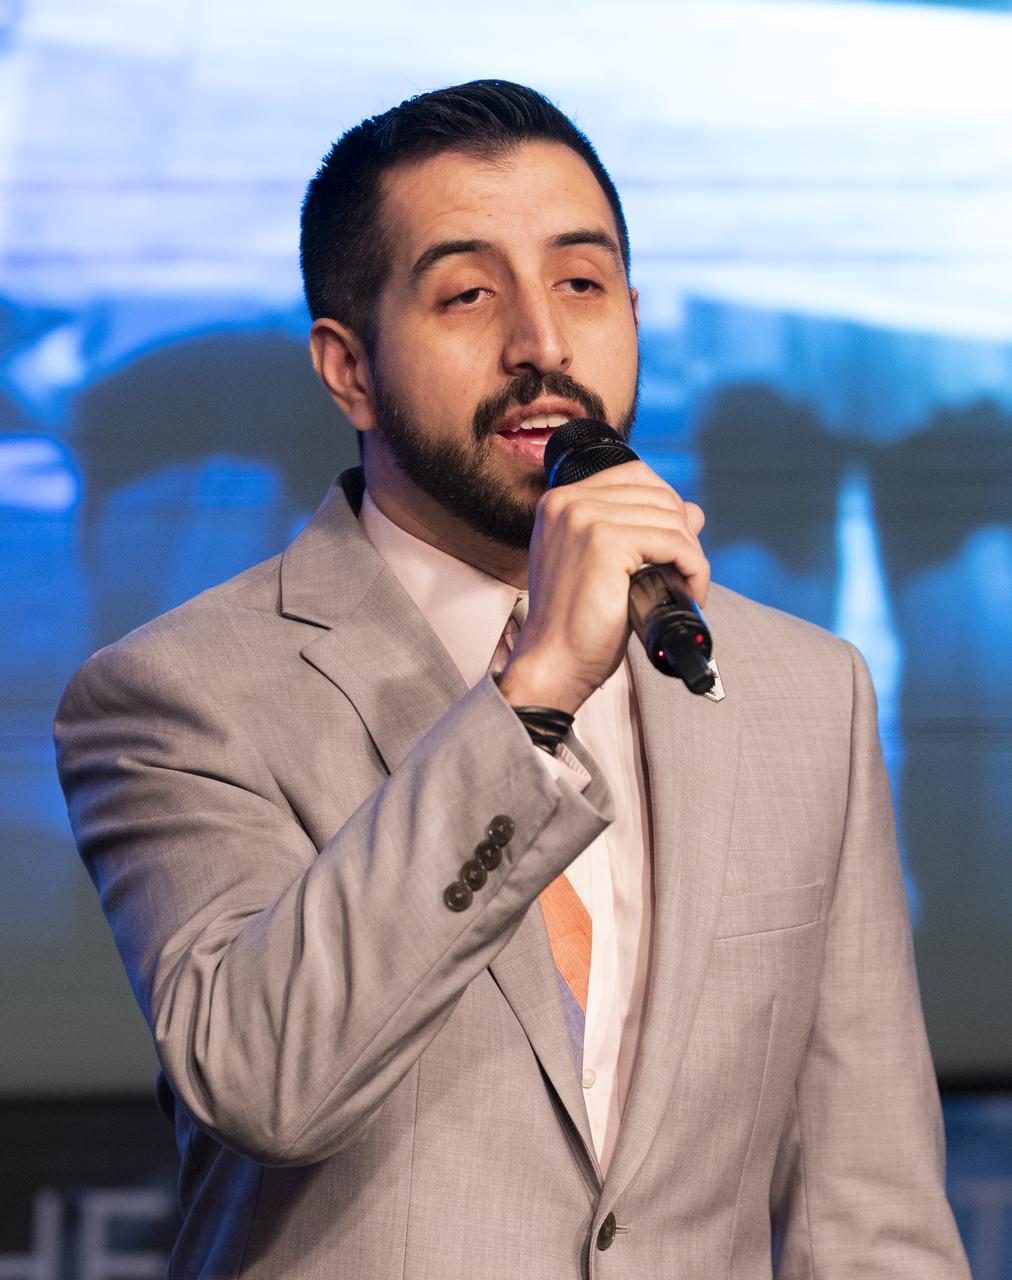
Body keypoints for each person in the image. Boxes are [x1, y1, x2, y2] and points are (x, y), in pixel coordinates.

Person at [55, 80, 970, 1278]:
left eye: (582, 285)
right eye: (468, 292)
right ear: (349, 372)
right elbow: (264, 1080)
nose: (542, 342)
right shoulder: (179, 694)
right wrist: (533, 691)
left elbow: (871, 1215)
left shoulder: (806, 689)